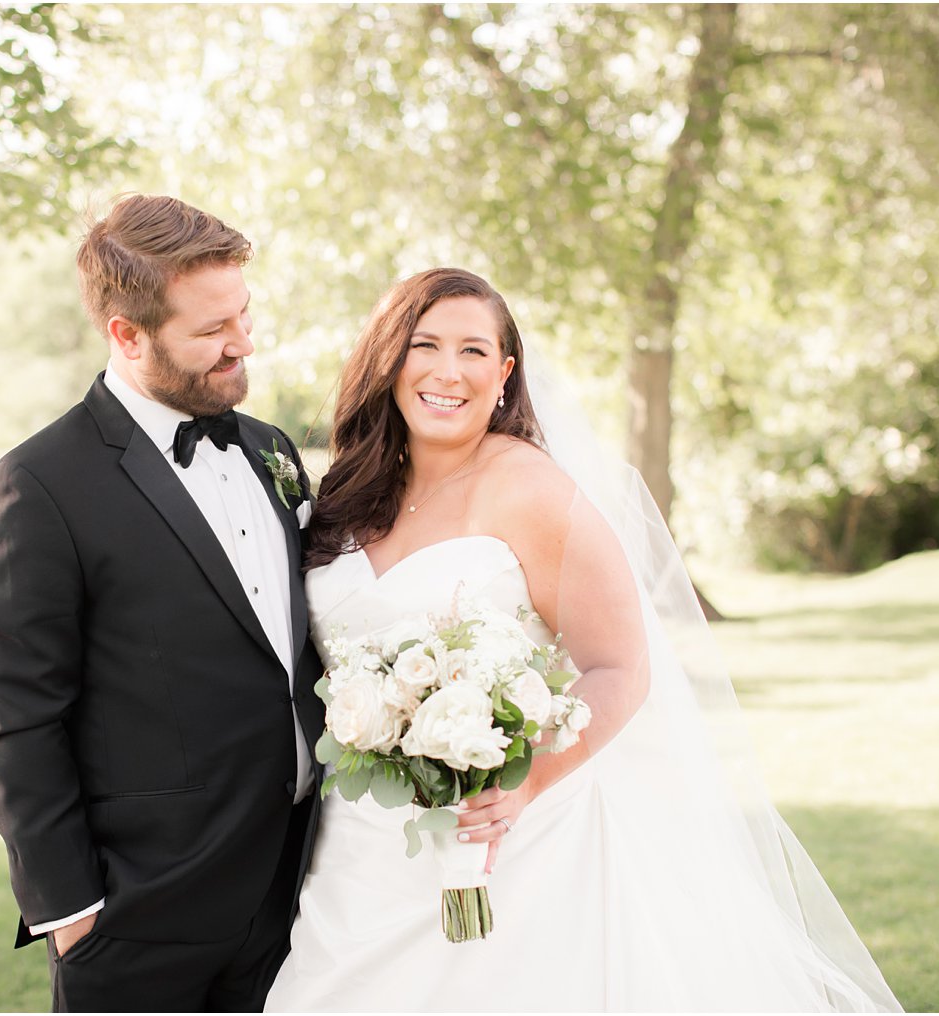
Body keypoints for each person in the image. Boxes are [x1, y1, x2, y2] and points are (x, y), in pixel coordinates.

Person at [264, 268, 901, 1011]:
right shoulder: (346, 491)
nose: (447, 371)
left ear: (504, 374)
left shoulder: (531, 489)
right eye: (424, 345)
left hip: (512, 845)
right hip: (358, 851)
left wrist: (524, 780)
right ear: (389, 360)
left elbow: (619, 665)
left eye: (473, 351)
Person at [0, 194, 325, 1012]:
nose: (242, 343)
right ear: (126, 334)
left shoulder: (270, 449)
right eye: (209, 331)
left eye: (244, 314)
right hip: (142, 918)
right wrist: (71, 912)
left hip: (299, 890)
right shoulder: (36, 489)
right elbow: (14, 717)